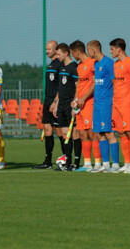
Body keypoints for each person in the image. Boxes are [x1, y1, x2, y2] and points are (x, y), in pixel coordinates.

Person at [87, 40, 119, 173]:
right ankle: (105, 164)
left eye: (88, 50)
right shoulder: (95, 64)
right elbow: (96, 83)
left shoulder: (108, 63)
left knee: (109, 132)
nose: (88, 53)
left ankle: (116, 165)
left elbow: (115, 83)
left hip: (107, 103)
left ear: (94, 50)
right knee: (99, 133)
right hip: (97, 104)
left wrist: (115, 100)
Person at [33, 40, 64, 169]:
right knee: (47, 129)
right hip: (47, 101)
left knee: (59, 130)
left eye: (49, 49)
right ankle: (47, 161)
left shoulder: (60, 65)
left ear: (56, 50)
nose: (46, 52)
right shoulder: (50, 65)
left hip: (55, 102)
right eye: (46, 49)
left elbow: (61, 86)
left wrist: (55, 102)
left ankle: (65, 157)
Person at [70, 40, 100, 172]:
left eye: (72, 53)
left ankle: (98, 163)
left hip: (89, 103)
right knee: (82, 133)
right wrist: (75, 100)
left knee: (92, 133)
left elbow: (94, 83)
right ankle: (87, 163)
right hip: (80, 104)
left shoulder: (92, 63)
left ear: (77, 52)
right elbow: (79, 86)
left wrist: (84, 98)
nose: (72, 56)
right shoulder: (79, 66)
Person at [110, 38, 130, 173]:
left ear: (118, 49)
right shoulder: (115, 64)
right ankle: (127, 163)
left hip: (127, 104)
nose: (111, 52)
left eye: (112, 49)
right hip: (116, 104)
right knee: (121, 132)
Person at [52, 43, 78, 171]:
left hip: (69, 104)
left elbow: (78, 87)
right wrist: (56, 103)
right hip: (61, 104)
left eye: (58, 54)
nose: (57, 57)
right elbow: (60, 88)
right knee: (63, 133)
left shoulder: (74, 67)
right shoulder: (62, 67)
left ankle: (75, 162)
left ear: (66, 53)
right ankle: (67, 160)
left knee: (72, 134)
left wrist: (74, 103)